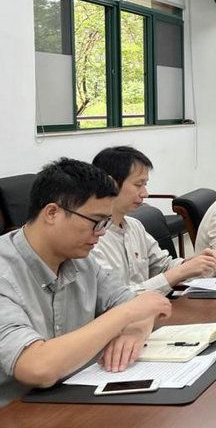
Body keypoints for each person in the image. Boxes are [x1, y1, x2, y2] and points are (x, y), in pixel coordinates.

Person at [0, 158, 172, 407]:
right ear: (52, 213)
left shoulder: (81, 260)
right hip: (15, 416)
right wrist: (127, 314)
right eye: (96, 221)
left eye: (106, 223)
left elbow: (142, 308)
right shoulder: (5, 273)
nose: (101, 232)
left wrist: (134, 332)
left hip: (74, 400)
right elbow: (37, 368)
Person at [91, 146, 216, 294]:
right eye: (138, 185)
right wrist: (182, 271)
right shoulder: (92, 239)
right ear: (111, 184)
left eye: (145, 184)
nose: (145, 193)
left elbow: (163, 266)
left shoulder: (135, 226)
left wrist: (193, 263)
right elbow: (117, 298)